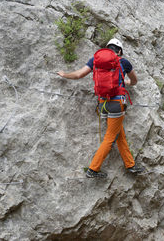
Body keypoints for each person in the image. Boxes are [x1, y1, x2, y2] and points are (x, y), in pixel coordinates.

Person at [57, 38, 144, 178]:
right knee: (110, 138)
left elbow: (79, 74)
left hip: (103, 104)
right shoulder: (124, 62)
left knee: (118, 133)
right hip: (117, 103)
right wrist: (127, 82)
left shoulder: (95, 60)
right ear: (119, 51)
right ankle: (93, 169)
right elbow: (134, 81)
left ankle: (130, 165)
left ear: (107, 48)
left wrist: (64, 74)